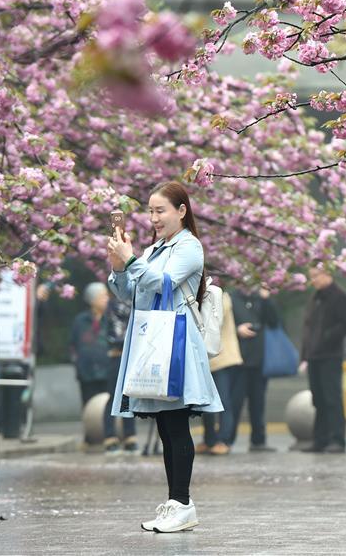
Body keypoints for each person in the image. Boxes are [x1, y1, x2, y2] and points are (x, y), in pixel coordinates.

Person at [106, 181, 223, 533]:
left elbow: (164, 283)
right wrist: (119, 267)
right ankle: (176, 504)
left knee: (176, 425)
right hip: (154, 342)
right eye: (151, 211)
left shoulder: (190, 247)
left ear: (181, 211)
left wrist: (132, 261)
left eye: (161, 210)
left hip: (177, 345)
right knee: (165, 428)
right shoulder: (156, 248)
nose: (153, 217)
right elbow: (132, 293)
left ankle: (183, 503)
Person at [302, 266, 346, 453]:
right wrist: (305, 354)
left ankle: (337, 439)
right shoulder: (315, 297)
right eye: (311, 277)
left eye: (316, 276)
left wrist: (325, 338)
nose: (313, 280)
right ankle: (320, 439)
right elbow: (308, 328)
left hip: (330, 355)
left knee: (332, 398)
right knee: (318, 399)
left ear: (327, 274)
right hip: (314, 356)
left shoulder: (340, 296)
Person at [227, 287, 279, 453]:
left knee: (258, 404)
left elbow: (274, 322)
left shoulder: (260, 298)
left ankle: (258, 440)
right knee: (234, 403)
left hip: (259, 360)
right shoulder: (230, 298)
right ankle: (227, 439)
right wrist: (237, 329)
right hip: (237, 360)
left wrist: (266, 299)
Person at [198, 291, 244, 456]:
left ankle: (224, 440)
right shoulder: (202, 296)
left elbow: (213, 322)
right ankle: (209, 439)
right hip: (207, 361)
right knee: (205, 403)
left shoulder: (221, 297)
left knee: (223, 401)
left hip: (223, 358)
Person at [101, 293, 137, 454]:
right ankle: (110, 437)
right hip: (117, 355)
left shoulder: (136, 299)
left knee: (128, 396)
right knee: (113, 396)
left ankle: (130, 436)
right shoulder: (114, 304)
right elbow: (115, 335)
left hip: (132, 356)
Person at [69, 283, 111, 420]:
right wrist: (77, 362)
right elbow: (73, 344)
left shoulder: (112, 319)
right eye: (103, 296)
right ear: (92, 300)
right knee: (88, 406)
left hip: (108, 370)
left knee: (108, 405)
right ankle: (89, 437)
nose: (107, 298)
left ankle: (109, 436)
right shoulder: (80, 321)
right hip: (86, 372)